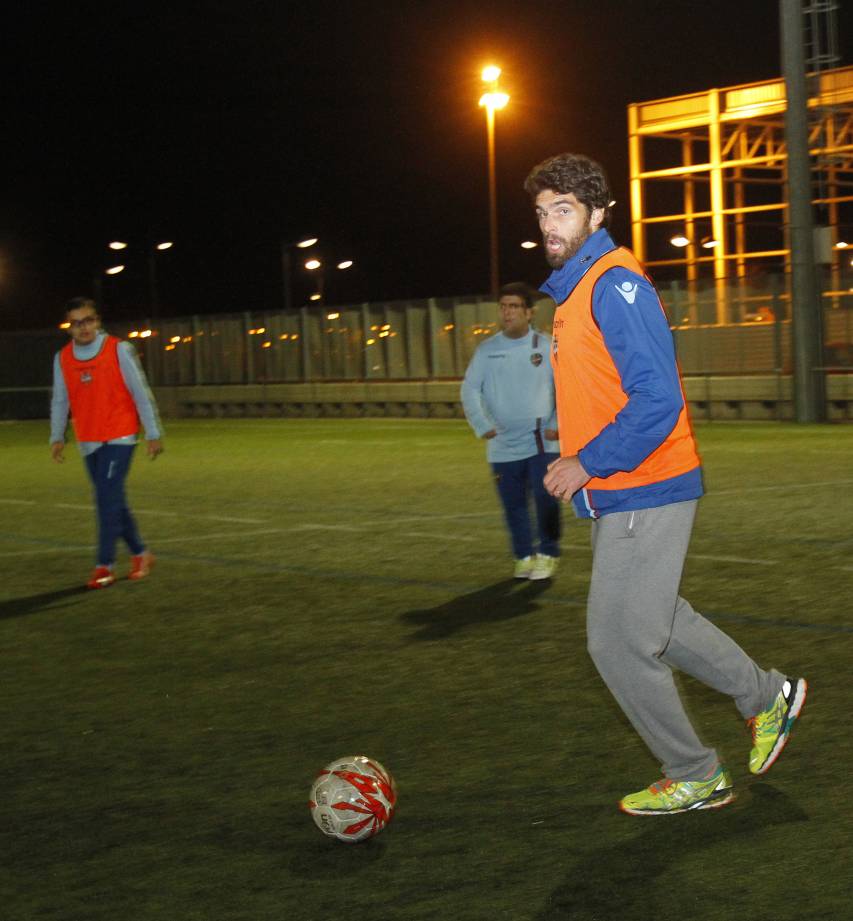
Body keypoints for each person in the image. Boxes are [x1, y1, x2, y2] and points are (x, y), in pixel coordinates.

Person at [524, 153, 807, 815]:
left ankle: (694, 770)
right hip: (625, 491)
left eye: (562, 208)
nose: (547, 223)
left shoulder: (613, 283)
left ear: (597, 213)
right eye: (541, 212)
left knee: (616, 641)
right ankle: (766, 696)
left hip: (645, 485)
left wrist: (585, 461)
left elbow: (656, 401)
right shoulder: (574, 291)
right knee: (659, 621)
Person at [50, 297, 163, 589]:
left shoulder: (119, 349)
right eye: (76, 323)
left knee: (105, 498)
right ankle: (141, 553)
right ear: (69, 328)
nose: (83, 328)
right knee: (113, 499)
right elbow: (60, 400)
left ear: (97, 321)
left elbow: (140, 391)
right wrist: (57, 436)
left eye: (87, 320)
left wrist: (152, 431)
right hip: (87, 439)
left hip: (120, 434)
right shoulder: (62, 358)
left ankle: (104, 565)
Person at [461, 282, 561, 580]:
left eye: (514, 306)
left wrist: (557, 423)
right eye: (503, 306)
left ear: (529, 312)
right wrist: (482, 424)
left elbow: (567, 388)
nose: (507, 312)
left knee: (546, 500)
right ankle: (523, 557)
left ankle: (548, 553)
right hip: (503, 445)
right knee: (514, 505)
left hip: (542, 440)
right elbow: (469, 390)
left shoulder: (546, 346)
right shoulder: (487, 349)